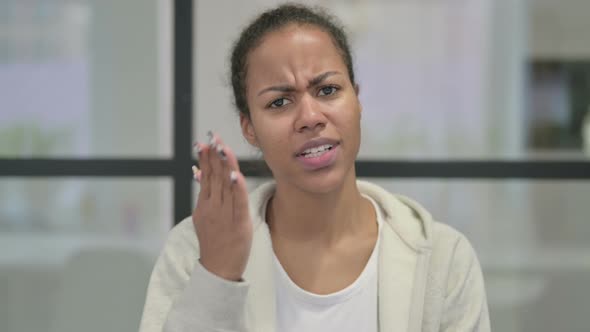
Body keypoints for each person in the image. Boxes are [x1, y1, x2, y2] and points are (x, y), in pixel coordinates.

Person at [139, 3, 490, 331]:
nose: (310, 117)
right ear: (249, 128)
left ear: (357, 98)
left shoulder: (444, 260)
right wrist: (219, 275)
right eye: (279, 102)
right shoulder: (195, 250)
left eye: (327, 90)